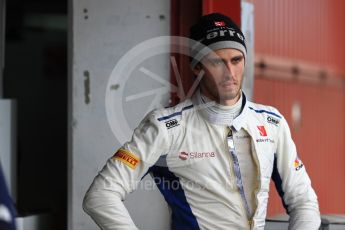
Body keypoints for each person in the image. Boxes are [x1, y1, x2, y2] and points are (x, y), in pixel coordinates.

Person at [83, 13, 321, 229]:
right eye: (217, 62)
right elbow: (101, 195)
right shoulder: (166, 127)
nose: (229, 72)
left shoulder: (272, 123)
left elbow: (304, 201)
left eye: (236, 60)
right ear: (197, 67)